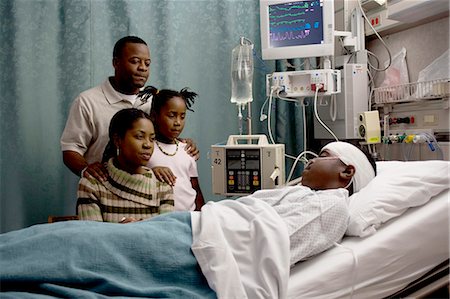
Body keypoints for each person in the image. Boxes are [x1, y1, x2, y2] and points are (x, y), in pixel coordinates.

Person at [0, 141, 376, 298]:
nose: (309, 159)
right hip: (189, 230)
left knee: (79, 247)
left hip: (197, 248)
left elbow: (267, 240)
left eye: (322, 155)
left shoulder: (333, 205)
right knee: (78, 240)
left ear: (346, 172)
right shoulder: (302, 193)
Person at [60, 36, 199, 182]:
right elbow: (71, 149)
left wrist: (181, 144)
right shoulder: (87, 101)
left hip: (145, 192)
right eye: (135, 61)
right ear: (116, 63)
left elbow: (162, 139)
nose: (143, 68)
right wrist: (85, 169)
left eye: (147, 63)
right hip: (103, 191)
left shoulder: (154, 101)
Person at [77, 108, 174, 222]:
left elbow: (167, 236)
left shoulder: (162, 187)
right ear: (118, 140)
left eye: (152, 139)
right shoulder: (92, 185)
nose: (148, 145)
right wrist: (125, 232)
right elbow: (91, 237)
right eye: (139, 136)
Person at [139, 86, 205, 211]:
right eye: (172, 115)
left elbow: (195, 189)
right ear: (154, 115)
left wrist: (203, 216)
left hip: (189, 218)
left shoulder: (187, 149)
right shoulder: (147, 148)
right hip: (160, 218)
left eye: (182, 116)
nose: (178, 122)